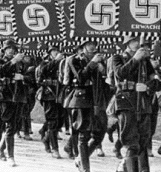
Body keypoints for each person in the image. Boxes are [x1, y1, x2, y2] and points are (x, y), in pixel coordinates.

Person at [112, 36, 161, 172]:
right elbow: (120, 74)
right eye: (134, 41)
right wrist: (135, 59)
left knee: (143, 142)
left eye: (140, 42)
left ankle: (137, 168)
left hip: (144, 104)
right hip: (126, 102)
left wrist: (147, 86)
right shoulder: (118, 58)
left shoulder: (145, 62)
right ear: (127, 43)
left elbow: (156, 82)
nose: (138, 44)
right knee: (131, 143)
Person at [66, 41, 106, 172]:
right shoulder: (74, 60)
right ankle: (85, 168)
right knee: (84, 134)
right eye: (89, 44)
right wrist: (93, 63)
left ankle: (80, 158)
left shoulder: (100, 59)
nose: (92, 46)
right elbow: (80, 78)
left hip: (97, 99)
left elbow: (103, 80)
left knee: (100, 132)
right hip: (82, 99)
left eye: (94, 43)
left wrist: (102, 69)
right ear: (82, 46)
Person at [0, 39, 32, 167]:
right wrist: (13, 61)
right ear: (4, 50)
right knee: (9, 126)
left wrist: (22, 77)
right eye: (8, 48)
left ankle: (0, 147)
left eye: (13, 48)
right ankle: (10, 156)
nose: (11, 50)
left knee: (16, 126)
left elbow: (29, 77)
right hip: (5, 96)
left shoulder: (20, 63)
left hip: (18, 96)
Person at [37, 45, 65, 159]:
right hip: (49, 94)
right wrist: (56, 61)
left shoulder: (63, 62)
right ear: (50, 52)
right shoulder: (45, 63)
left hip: (61, 94)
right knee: (52, 121)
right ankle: (55, 149)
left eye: (58, 51)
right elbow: (42, 71)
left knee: (61, 120)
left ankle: (46, 137)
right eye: (54, 51)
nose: (56, 52)